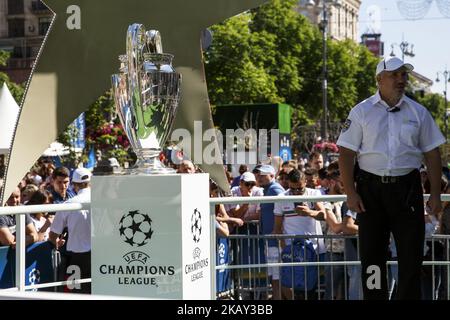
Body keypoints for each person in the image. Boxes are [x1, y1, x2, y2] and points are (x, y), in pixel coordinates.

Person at [337, 56, 446, 300]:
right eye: (395, 74)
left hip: (407, 190)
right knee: (372, 257)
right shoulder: (361, 111)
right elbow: (345, 153)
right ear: (379, 79)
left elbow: (433, 154)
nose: (401, 79)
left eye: (403, 75)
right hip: (370, 192)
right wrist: (350, 193)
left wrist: (436, 194)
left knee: (411, 256)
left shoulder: (419, 112)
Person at [49, 168, 92, 294]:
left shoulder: (69, 204)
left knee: (77, 294)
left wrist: (55, 242)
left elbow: (53, 235)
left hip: (77, 258)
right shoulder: (103, 201)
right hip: (100, 255)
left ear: (74, 184)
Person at [256, 164, 285, 300]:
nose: (259, 177)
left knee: (277, 275)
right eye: (258, 175)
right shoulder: (268, 190)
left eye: (263, 175)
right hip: (271, 240)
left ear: (272, 176)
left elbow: (284, 210)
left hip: (276, 241)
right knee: (274, 275)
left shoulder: (275, 189)